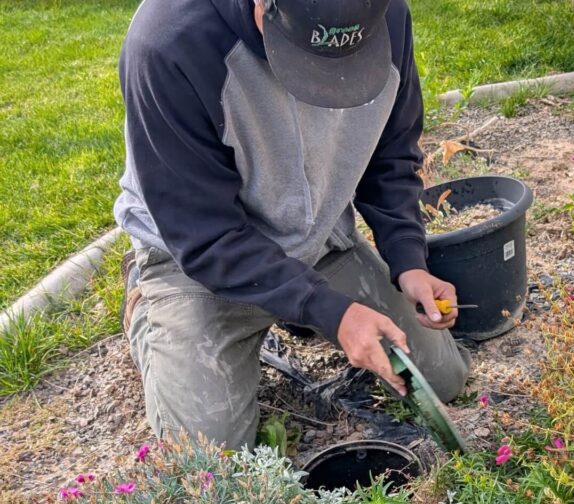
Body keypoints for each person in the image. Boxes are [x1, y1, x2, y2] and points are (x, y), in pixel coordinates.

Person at [113, 0, 470, 450]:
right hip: (197, 263)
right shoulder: (167, 43)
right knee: (211, 466)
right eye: (309, 58)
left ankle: (295, 306)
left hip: (317, 240)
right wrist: (331, 312)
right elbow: (204, 234)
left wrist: (408, 260)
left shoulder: (383, 15)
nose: (323, 84)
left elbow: (391, 155)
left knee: (444, 379)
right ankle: (149, 309)